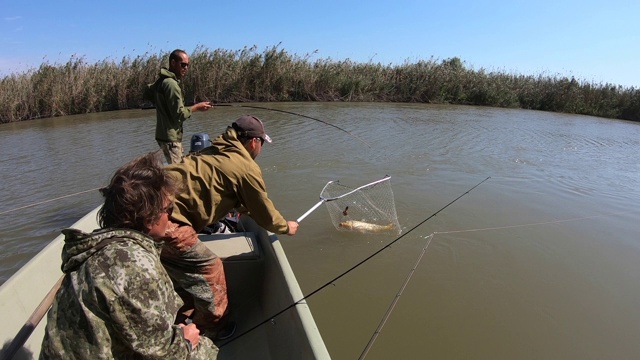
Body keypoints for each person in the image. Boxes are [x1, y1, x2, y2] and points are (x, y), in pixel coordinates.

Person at [40, 152, 218, 359]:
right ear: (147, 216)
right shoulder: (133, 265)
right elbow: (166, 355)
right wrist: (186, 341)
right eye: (168, 208)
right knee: (204, 351)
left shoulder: (98, 247)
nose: (170, 215)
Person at [161, 115, 299, 338]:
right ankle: (215, 329)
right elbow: (266, 215)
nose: (261, 148)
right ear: (254, 142)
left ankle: (176, 316)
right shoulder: (246, 167)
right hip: (165, 220)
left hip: (145, 204)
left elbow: (217, 190)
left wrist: (242, 206)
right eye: (262, 143)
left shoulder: (214, 150)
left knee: (178, 270)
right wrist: (285, 227)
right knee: (210, 268)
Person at [144, 49, 213, 164]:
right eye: (183, 64)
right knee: (179, 172)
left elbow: (148, 91)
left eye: (187, 65)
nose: (186, 68)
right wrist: (197, 107)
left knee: (176, 168)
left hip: (162, 135)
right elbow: (179, 114)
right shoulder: (171, 84)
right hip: (170, 138)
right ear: (173, 63)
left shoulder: (161, 80)